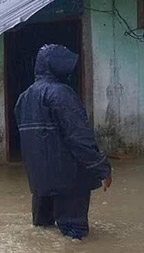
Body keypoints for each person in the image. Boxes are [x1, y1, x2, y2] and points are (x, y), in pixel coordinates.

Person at [15, 44, 112, 239]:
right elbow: (79, 136)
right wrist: (102, 168)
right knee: (74, 236)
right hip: (69, 180)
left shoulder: (23, 98)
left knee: (43, 231)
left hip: (40, 182)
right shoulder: (61, 93)